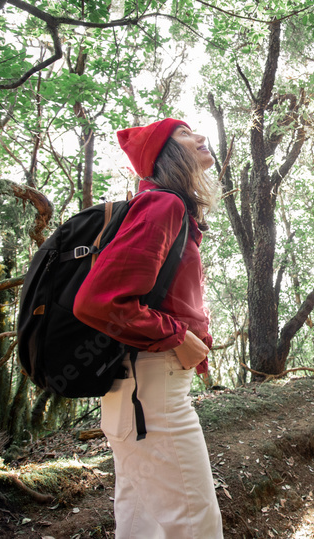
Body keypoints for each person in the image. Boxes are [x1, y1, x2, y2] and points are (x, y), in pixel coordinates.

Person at [73, 118, 223, 539]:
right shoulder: (164, 205)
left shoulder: (170, 208)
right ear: (164, 154)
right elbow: (100, 301)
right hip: (150, 393)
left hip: (142, 390)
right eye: (184, 133)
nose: (199, 136)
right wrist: (179, 337)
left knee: (142, 525)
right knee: (197, 526)